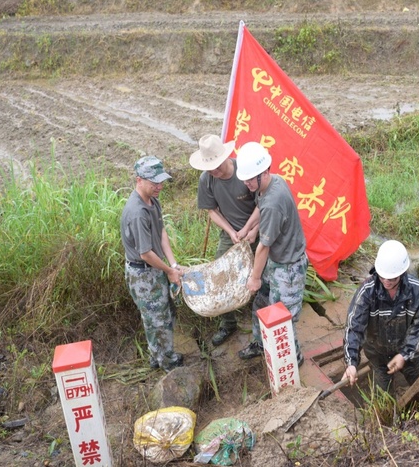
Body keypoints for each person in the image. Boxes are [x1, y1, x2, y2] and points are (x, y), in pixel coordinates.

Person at [234, 141, 307, 365]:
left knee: (282, 319)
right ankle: (259, 343)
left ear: (264, 172)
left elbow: (263, 247)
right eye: (244, 179)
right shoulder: (269, 185)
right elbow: (259, 206)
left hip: (288, 268)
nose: (246, 184)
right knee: (262, 304)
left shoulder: (275, 202)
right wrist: (247, 228)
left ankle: (292, 359)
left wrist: (255, 278)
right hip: (276, 263)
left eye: (250, 179)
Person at [189, 134, 261, 347]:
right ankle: (228, 323)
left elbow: (263, 205)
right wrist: (230, 231)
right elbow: (211, 211)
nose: (214, 172)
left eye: (217, 166)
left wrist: (254, 229)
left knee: (261, 275)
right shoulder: (207, 179)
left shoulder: (244, 172)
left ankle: (261, 324)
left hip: (257, 229)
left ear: (226, 157)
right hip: (231, 234)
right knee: (219, 278)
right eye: (209, 168)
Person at [120, 155, 185, 372]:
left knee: (161, 314)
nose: (160, 186)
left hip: (154, 269)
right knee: (157, 320)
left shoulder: (152, 200)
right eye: (154, 182)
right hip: (144, 275)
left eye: (161, 181)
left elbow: (161, 231)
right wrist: (168, 271)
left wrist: (173, 265)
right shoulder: (137, 212)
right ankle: (167, 363)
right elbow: (146, 253)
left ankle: (157, 355)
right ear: (139, 180)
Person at [343, 240, 419, 394]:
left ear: (401, 273)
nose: (386, 282)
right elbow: (354, 328)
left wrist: (405, 354)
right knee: (383, 396)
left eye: (392, 279)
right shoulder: (367, 292)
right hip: (378, 355)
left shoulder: (417, 291)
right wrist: (351, 363)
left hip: (409, 354)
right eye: (383, 277)